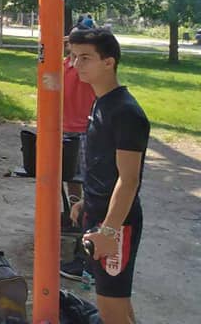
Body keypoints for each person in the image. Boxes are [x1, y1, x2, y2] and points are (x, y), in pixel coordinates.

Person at [68, 28, 149, 324]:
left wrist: (109, 232)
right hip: (101, 214)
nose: (76, 64)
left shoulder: (126, 112)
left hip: (117, 224)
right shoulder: (101, 101)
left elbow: (129, 180)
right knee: (118, 301)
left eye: (85, 58)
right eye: (74, 57)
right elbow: (103, 166)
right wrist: (87, 201)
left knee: (110, 308)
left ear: (108, 62)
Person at [59, 30, 97, 280]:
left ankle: (88, 242)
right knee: (71, 177)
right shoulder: (63, 65)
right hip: (64, 129)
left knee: (88, 180)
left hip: (84, 131)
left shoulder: (86, 68)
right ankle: (74, 216)